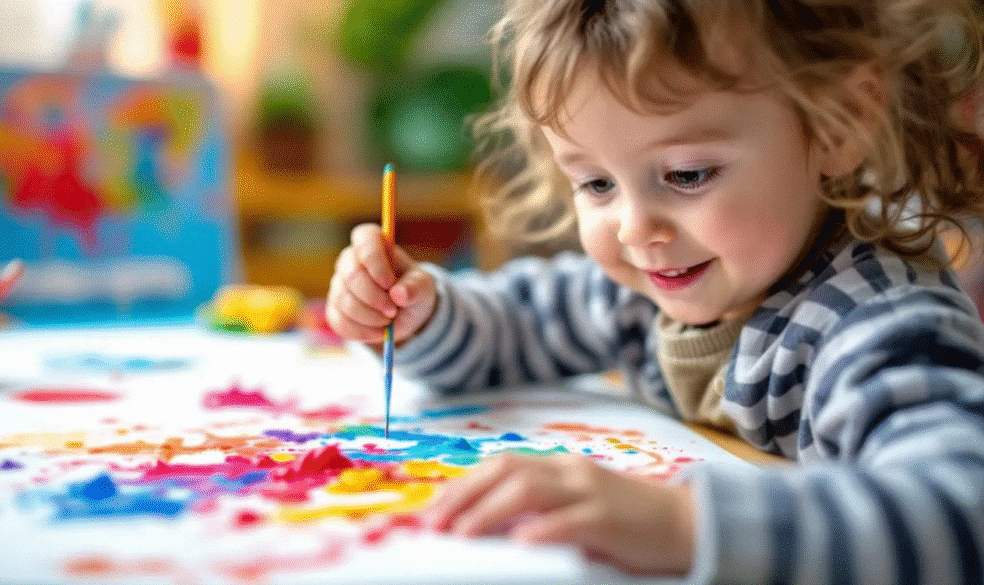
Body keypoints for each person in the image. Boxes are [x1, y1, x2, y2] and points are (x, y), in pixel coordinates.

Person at [327, 0, 984, 582]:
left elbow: (960, 514)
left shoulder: (879, 324)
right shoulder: (641, 291)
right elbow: (513, 323)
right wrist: (419, 313)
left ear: (839, 122)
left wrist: (683, 523)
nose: (636, 228)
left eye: (687, 173)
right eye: (596, 184)